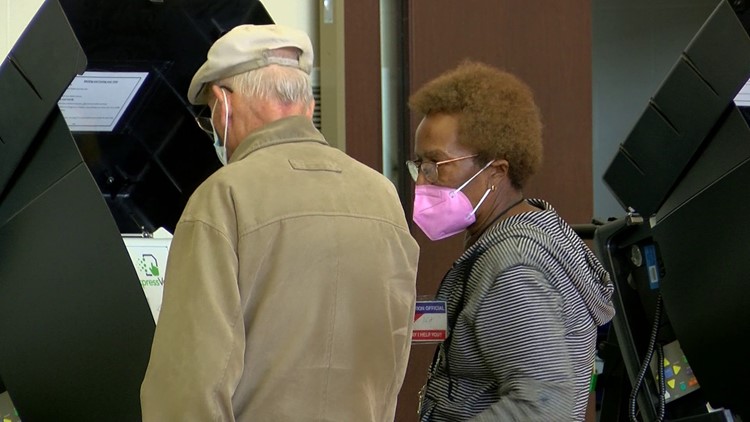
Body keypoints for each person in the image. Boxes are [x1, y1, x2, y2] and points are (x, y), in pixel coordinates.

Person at [140, 24, 420, 421]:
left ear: (223, 102)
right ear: (306, 105)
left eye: (209, 115)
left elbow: (191, 381)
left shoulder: (224, 196)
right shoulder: (382, 197)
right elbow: (392, 357)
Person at [409, 61, 615, 421]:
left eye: (437, 165)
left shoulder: (512, 268)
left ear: (497, 172)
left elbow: (544, 406)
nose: (423, 181)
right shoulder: (538, 227)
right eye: (420, 165)